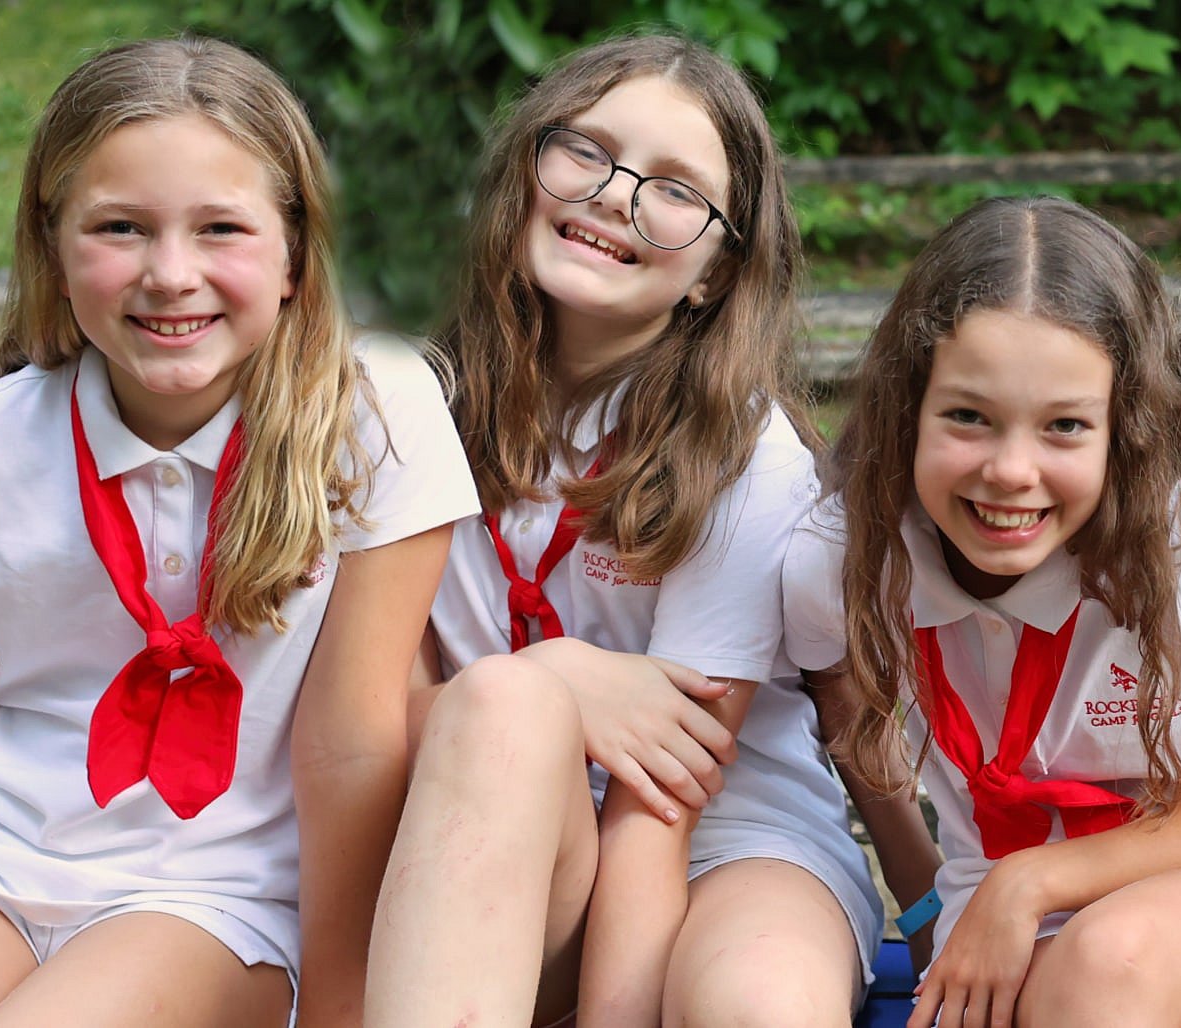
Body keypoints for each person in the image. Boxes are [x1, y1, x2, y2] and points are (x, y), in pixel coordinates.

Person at [0, 36, 476, 1027]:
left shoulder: (372, 415)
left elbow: (352, 741)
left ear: (298, 254)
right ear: (52, 248)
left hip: (215, 894)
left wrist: (341, 1005)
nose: (171, 273)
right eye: (121, 227)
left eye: (221, 227)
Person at [366, 33, 879, 1028]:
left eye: (677, 188)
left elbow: (665, 799)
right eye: (585, 151)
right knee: (507, 714)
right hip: (490, 824)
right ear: (523, 169)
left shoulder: (740, 452)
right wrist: (552, 683)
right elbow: (378, 718)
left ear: (716, 274)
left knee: (760, 1005)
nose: (614, 194)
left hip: (723, 836)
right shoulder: (407, 406)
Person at [786, 196, 1181, 1028]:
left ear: (1122, 428)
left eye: (1065, 426)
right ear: (908, 405)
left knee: (1105, 969)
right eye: (967, 417)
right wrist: (924, 910)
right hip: (995, 915)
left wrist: (1032, 881)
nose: (1010, 472)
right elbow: (849, 716)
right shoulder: (842, 557)